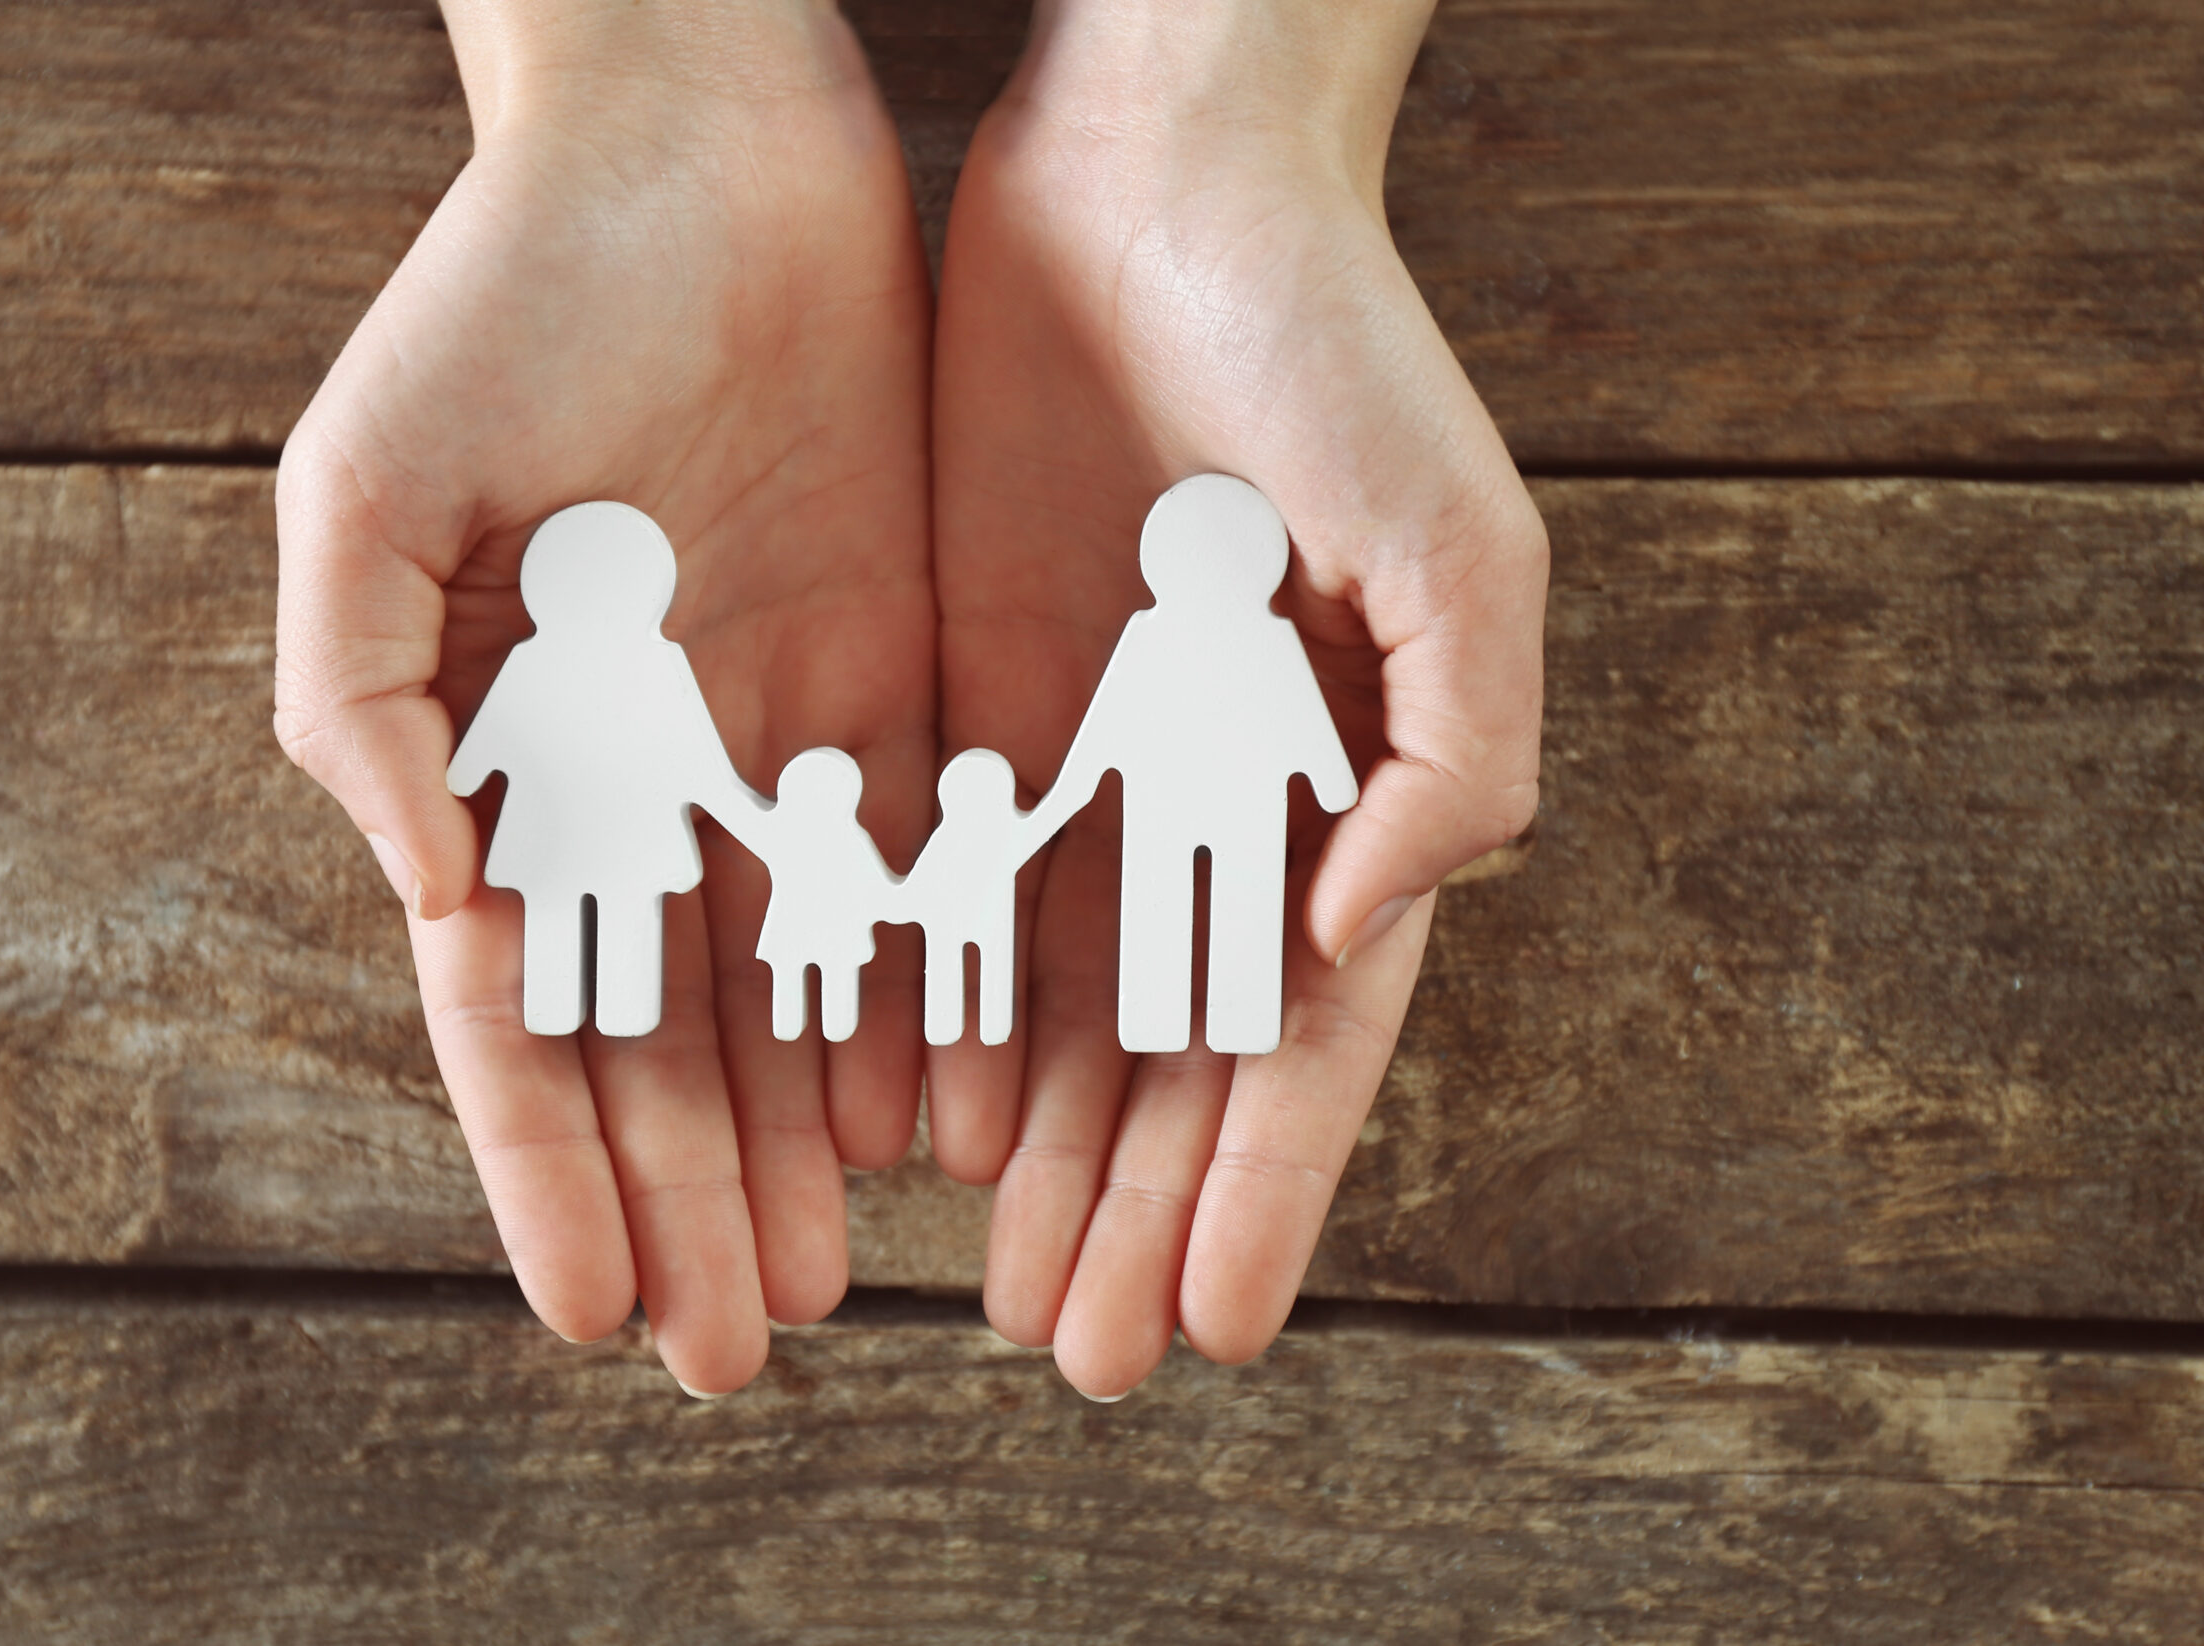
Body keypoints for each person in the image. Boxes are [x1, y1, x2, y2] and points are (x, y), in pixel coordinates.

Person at [274, 0, 1548, 1403]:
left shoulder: (1206, 646)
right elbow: (1101, 734)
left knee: (1213, 938)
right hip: (702, 832)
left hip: (1203, 819)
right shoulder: (615, 660)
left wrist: (1225, 93)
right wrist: (627, 73)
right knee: (627, 948)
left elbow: (1144, 737)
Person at [1023, 476, 1357, 1057]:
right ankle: (1202, 1016)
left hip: (1195, 802)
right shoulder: (1237, 638)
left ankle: (1202, 1016)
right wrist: (1332, 788)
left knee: (1212, 900)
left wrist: (1066, 796)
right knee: (1206, 900)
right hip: (1213, 802)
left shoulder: (1224, 639)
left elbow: (1107, 731)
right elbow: (1112, 721)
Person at [444, 502, 769, 1038]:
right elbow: (699, 762)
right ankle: (610, 1011)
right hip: (622, 829)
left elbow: (473, 764)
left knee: (580, 906)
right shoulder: (647, 663)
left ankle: (582, 1007)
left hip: (557, 827)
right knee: (610, 906)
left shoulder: (543, 661)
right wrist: (744, 814)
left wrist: (463, 778)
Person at [749, 747, 900, 1043]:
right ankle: (799, 1022)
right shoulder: (797, 834)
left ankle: (813, 1023)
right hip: (811, 927)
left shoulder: (793, 834)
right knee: (802, 973)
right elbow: (878, 887)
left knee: (821, 973)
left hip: (812, 927)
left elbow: (875, 886)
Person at [902, 748, 1044, 1048]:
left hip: (978, 918)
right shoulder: (955, 836)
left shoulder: (994, 835)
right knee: (958, 966)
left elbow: (921, 878)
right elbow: (924, 876)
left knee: (983, 968)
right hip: (956, 919)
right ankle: (954, 1024)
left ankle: (981, 1024)